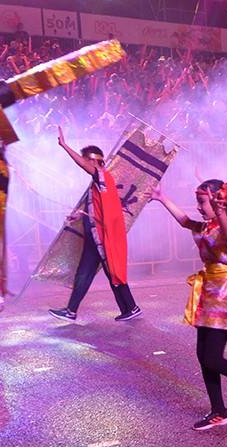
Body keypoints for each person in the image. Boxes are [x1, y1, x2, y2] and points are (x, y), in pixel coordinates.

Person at [149, 182, 227, 431]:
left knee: (212, 357)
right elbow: (185, 221)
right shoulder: (206, 226)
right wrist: (162, 198)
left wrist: (220, 213)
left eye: (202, 202)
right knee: (204, 356)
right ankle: (219, 411)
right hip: (208, 291)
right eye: (198, 201)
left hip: (225, 294)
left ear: (220, 203)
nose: (198, 207)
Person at [48, 127, 141, 322]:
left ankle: (131, 307)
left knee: (112, 271)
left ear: (93, 161)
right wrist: (80, 216)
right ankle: (72, 310)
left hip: (101, 237)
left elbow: (83, 165)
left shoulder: (102, 175)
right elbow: (97, 209)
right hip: (94, 236)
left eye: (86, 160)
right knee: (85, 272)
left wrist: (64, 146)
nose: (85, 164)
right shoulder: (98, 182)